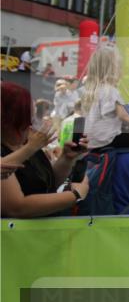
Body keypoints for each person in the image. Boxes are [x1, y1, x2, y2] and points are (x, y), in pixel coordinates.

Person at [1, 82, 90, 217]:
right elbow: (17, 207)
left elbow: (47, 183)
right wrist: (74, 196)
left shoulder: (28, 142)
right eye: (27, 118)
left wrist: (66, 158)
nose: (31, 124)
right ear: (9, 120)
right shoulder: (24, 146)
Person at [80, 45, 129, 149]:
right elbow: (123, 115)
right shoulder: (110, 91)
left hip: (91, 140)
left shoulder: (89, 91)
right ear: (113, 69)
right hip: (106, 140)